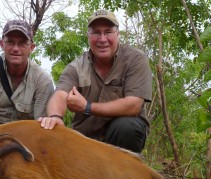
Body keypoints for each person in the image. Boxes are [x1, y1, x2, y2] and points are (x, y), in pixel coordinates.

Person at [39, 9, 152, 153]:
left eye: (108, 32)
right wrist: (55, 116)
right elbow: (60, 94)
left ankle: (123, 172)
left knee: (126, 128)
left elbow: (133, 106)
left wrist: (87, 107)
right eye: (96, 32)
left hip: (122, 135)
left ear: (118, 34)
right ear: (88, 36)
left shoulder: (135, 59)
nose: (102, 39)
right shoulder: (76, 66)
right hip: (85, 137)